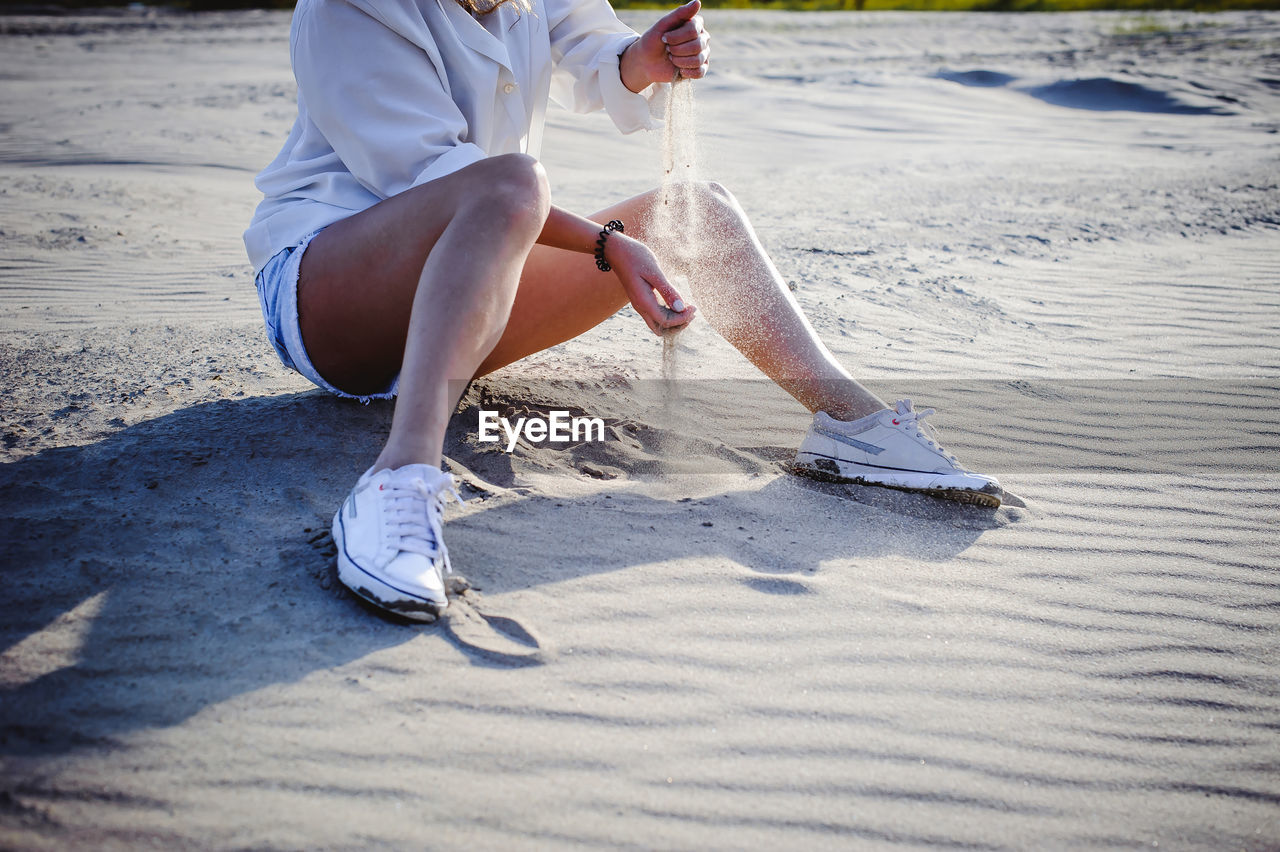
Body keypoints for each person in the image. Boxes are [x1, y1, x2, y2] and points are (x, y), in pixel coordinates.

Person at [245, 0, 1002, 621]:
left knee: (698, 212)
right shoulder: (345, 8)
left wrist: (650, 55)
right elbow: (438, 176)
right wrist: (606, 244)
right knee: (511, 183)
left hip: (468, 291)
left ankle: (855, 427)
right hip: (330, 299)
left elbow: (602, 57)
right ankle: (397, 484)